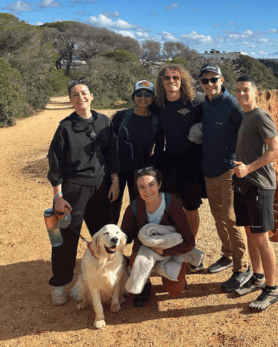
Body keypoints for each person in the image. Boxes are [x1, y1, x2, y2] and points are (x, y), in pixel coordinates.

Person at [47, 79, 120, 306]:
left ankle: (108, 281)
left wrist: (115, 180)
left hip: (101, 188)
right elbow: (55, 163)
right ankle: (59, 283)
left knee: (105, 238)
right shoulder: (65, 127)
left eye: (84, 93)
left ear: (92, 96)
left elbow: (113, 154)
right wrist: (58, 196)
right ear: (70, 100)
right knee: (65, 239)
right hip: (73, 190)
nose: (81, 98)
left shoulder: (104, 122)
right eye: (75, 95)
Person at [198, 63, 250, 292]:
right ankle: (227, 254)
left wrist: (244, 165)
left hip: (228, 169)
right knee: (217, 215)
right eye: (205, 80)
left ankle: (242, 268)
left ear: (222, 79)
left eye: (213, 79)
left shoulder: (232, 105)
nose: (209, 84)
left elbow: (247, 134)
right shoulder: (205, 104)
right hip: (209, 169)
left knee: (231, 217)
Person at [232, 75, 278, 310]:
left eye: (246, 90)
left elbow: (275, 150)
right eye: (238, 90)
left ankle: (271, 290)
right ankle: (257, 277)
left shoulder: (260, 115)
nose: (242, 94)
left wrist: (249, 168)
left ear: (256, 92)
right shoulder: (245, 116)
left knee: (261, 237)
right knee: (250, 232)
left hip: (260, 184)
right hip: (243, 183)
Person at [121, 167, 197, 307]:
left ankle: (175, 271)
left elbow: (189, 243)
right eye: (142, 187)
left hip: (170, 249)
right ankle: (146, 284)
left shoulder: (172, 203)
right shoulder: (134, 207)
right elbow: (124, 236)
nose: (147, 191)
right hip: (146, 248)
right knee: (135, 260)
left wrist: (163, 251)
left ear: (159, 185)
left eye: (151, 185)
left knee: (175, 290)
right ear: (137, 189)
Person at [153, 65, 204, 246]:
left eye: (176, 78)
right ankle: (175, 244)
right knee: (173, 209)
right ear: (161, 81)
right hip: (169, 163)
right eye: (167, 78)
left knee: (191, 210)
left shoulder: (195, 100)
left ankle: (191, 245)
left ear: (182, 80)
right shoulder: (158, 104)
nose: (171, 81)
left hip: (193, 164)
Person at [110, 80, 159, 224]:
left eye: (147, 94)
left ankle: (139, 241)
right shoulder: (121, 117)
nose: (143, 97)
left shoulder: (155, 121)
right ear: (133, 96)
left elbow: (159, 148)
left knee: (140, 209)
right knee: (112, 207)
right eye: (139, 94)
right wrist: (112, 174)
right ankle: (110, 243)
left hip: (140, 173)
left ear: (153, 98)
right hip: (118, 170)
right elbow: (110, 144)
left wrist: (150, 171)